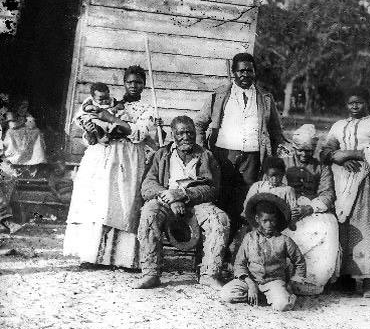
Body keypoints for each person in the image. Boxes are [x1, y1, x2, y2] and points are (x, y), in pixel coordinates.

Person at [63, 65, 160, 270]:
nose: (134, 86)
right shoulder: (109, 101)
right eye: (130, 82)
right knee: (99, 202)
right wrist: (91, 130)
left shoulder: (148, 108)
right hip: (102, 156)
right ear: (124, 83)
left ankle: (123, 259)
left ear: (144, 84)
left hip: (129, 158)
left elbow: (139, 133)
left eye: (138, 82)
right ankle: (92, 256)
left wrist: (110, 119)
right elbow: (90, 133)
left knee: (124, 203)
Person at [194, 52, 284, 237]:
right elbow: (199, 124)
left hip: (251, 159)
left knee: (244, 203)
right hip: (223, 156)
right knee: (219, 199)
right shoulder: (220, 95)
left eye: (249, 71)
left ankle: (234, 251)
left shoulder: (265, 98)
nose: (245, 75)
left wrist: (269, 159)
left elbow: (276, 132)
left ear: (255, 73)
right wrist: (202, 151)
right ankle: (212, 247)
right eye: (241, 71)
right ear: (233, 73)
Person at [135, 115, 230, 290]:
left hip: (195, 203)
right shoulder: (162, 154)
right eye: (181, 133)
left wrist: (182, 194)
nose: (186, 137)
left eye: (190, 133)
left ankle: (209, 274)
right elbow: (148, 186)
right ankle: (151, 273)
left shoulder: (205, 155)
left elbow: (212, 188)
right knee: (149, 212)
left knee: (219, 220)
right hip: (165, 201)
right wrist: (168, 196)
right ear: (172, 135)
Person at [321, 88, 370, 298]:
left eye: (359, 102)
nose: (354, 107)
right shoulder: (338, 125)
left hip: (368, 180)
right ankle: (346, 277)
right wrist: (337, 156)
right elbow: (325, 151)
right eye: (350, 103)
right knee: (345, 227)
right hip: (341, 179)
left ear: (367, 103)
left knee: (368, 226)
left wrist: (348, 153)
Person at [278, 124, 340, 295]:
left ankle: (314, 280)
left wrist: (309, 208)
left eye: (309, 150)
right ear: (294, 147)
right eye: (300, 150)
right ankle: (284, 277)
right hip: (288, 208)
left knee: (327, 226)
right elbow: (276, 187)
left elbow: (328, 194)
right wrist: (290, 207)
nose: (305, 155)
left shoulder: (321, 166)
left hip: (313, 209)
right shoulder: (284, 163)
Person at [221, 193, 305, 311]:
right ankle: (259, 294)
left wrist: (293, 283)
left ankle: (276, 295)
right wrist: (251, 285)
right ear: (257, 219)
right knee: (226, 294)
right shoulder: (249, 238)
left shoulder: (284, 240)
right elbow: (239, 264)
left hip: (274, 282)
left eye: (272, 221)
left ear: (277, 219)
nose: (269, 225)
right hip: (251, 280)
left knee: (282, 305)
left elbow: (299, 261)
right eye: (265, 221)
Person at [2, 96, 47, 174]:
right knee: (13, 137)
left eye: (25, 107)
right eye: (21, 106)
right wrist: (23, 123)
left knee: (37, 133)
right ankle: (15, 159)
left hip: (23, 134)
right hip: (11, 134)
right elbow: (13, 126)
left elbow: (32, 124)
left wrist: (28, 121)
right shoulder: (10, 113)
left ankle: (32, 161)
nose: (23, 109)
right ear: (16, 106)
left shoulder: (27, 114)